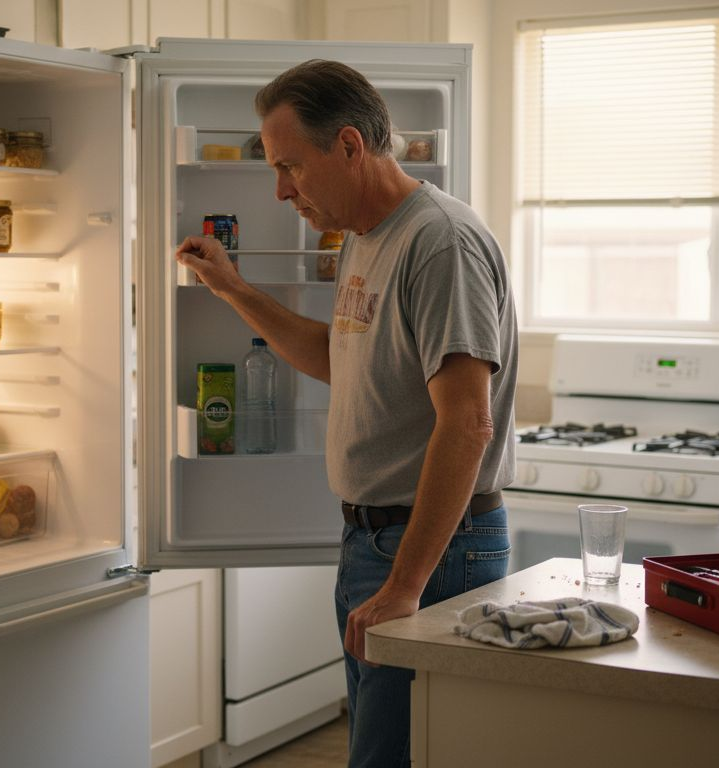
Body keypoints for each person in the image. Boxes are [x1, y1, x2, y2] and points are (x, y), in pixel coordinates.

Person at [175, 59, 518, 767]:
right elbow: (340, 358)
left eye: (290, 166)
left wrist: (407, 583)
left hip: (434, 547)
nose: (281, 189)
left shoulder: (440, 242)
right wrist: (232, 288)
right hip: (377, 542)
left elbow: (468, 422)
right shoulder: (365, 235)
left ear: (351, 146)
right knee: (382, 747)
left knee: (395, 756)